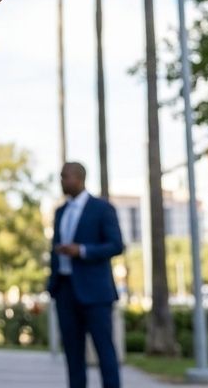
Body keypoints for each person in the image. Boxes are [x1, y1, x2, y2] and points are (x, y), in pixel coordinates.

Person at [48, 162, 124, 388]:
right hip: (65, 290)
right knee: (72, 355)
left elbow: (116, 245)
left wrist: (81, 250)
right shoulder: (60, 211)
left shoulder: (101, 208)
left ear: (78, 178)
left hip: (96, 293)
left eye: (65, 177)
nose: (62, 181)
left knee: (104, 351)